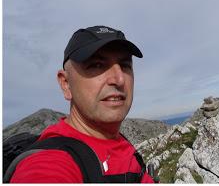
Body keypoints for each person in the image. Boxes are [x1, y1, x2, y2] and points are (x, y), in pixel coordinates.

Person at [10, 25, 154, 183]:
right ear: (66, 84)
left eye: (125, 65)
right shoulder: (49, 162)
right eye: (97, 65)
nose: (118, 79)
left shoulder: (117, 140)